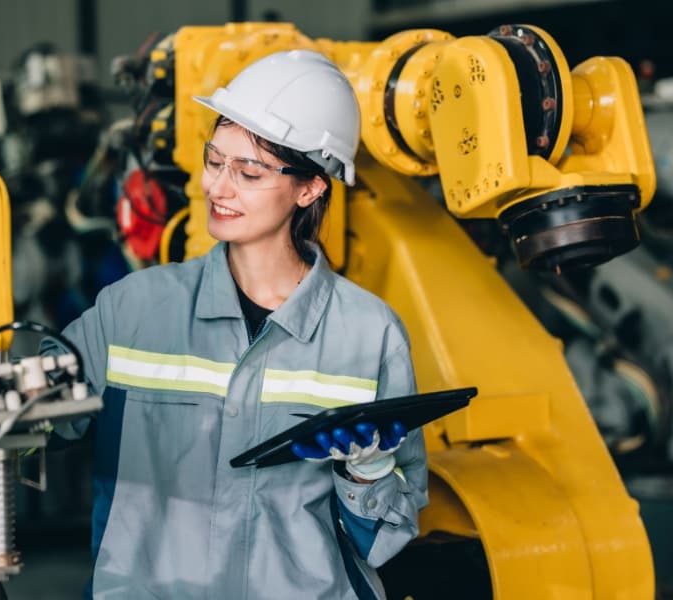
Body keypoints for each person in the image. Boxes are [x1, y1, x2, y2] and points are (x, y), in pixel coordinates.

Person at [43, 49, 428, 599]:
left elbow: (384, 539)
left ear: (311, 188)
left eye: (248, 172)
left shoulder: (368, 335)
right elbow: (31, 427)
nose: (218, 188)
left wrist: (367, 472)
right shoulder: (132, 310)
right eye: (214, 160)